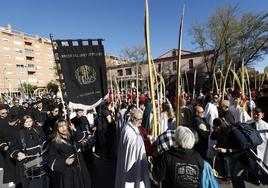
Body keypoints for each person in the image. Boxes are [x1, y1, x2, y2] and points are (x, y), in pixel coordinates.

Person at [48, 119, 93, 188]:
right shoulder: (54, 143)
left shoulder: (72, 136)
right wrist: (64, 161)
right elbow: (51, 161)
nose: (63, 128)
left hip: (80, 167)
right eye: (60, 126)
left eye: (65, 125)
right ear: (57, 129)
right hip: (69, 172)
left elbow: (84, 136)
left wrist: (74, 129)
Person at [9, 115, 49, 188]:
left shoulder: (38, 129)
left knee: (42, 181)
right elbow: (13, 147)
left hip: (39, 158)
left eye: (30, 121)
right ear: (23, 123)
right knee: (28, 183)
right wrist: (18, 153)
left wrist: (42, 150)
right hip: (26, 160)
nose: (28, 123)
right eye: (26, 122)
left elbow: (44, 141)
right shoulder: (18, 132)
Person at [115, 108, 151, 188]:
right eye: (139, 119)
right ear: (133, 118)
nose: (141, 121)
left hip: (136, 161)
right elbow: (135, 144)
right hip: (131, 162)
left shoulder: (133, 126)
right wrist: (146, 141)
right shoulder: (128, 130)